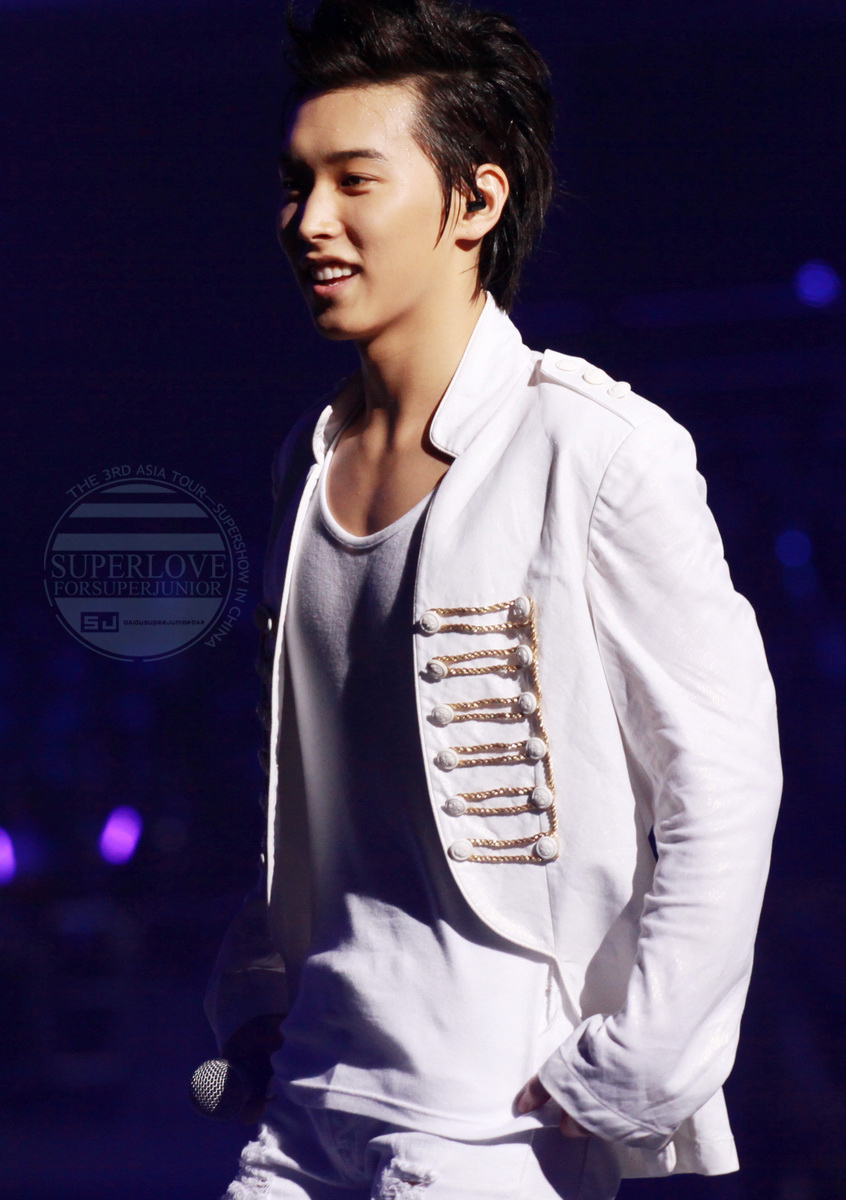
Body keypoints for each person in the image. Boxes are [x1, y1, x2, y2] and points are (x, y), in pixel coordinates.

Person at [205, 1, 782, 1197]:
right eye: (297, 183)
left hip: (493, 1127)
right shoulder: (304, 462)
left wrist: (632, 1067)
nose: (310, 220)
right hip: (304, 1101)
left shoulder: (598, 452)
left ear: (475, 201)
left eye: (355, 181)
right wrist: (259, 996)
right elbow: (306, 784)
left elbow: (724, 781)